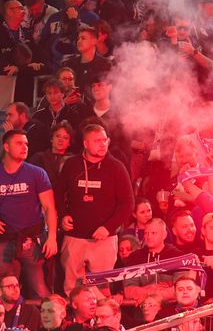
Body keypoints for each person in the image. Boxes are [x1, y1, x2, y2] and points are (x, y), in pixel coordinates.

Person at [56, 123, 133, 290]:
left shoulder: (117, 167)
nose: (103, 144)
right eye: (97, 141)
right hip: (75, 237)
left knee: (102, 289)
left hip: (104, 239)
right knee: (72, 288)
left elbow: (127, 204)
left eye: (105, 140)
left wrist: (108, 227)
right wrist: (63, 215)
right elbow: (58, 193)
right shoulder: (71, 164)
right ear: (86, 143)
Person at [0, 129, 56, 298]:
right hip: (5, 241)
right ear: (6, 147)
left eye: (26, 144)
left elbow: (49, 207)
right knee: (5, 291)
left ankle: (50, 322)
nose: (24, 147)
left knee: (41, 290)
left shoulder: (36, 173)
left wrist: (52, 237)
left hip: (31, 241)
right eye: (19, 143)